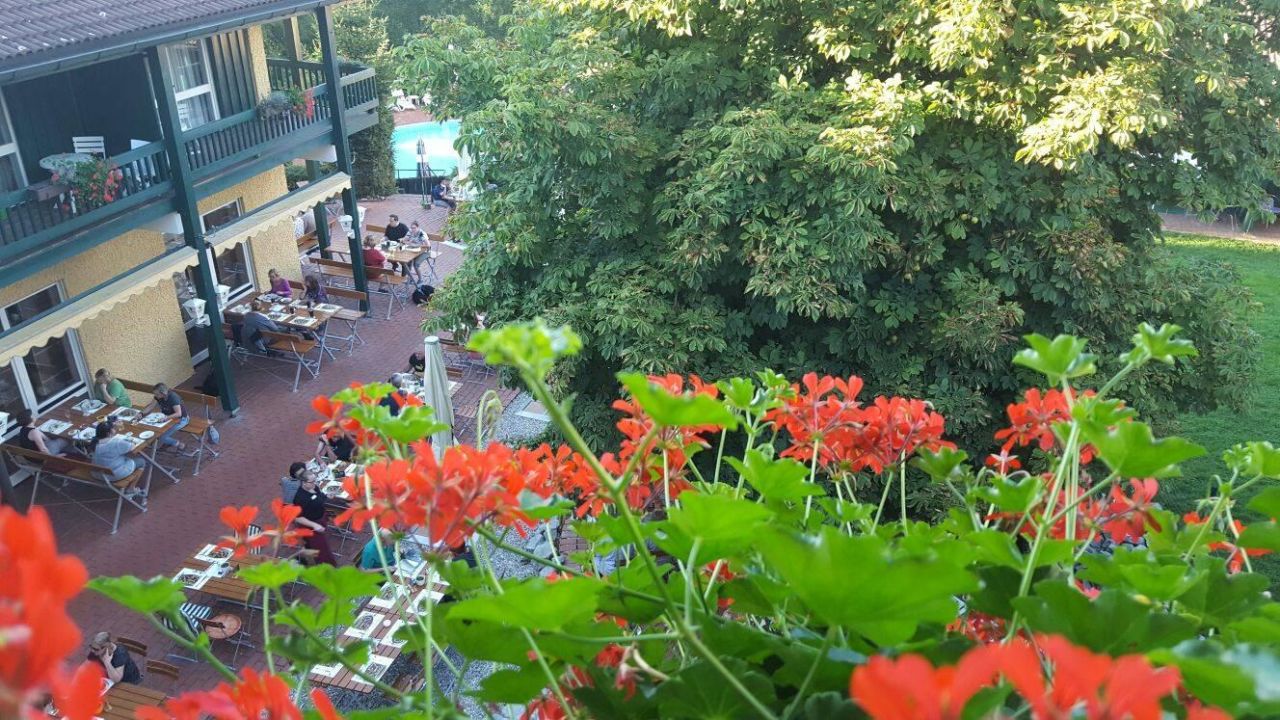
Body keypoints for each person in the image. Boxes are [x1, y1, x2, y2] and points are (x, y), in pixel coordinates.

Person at [290, 471, 338, 565]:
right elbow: (298, 518)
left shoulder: (314, 487)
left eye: (315, 481)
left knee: (322, 546)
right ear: (304, 483)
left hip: (320, 519)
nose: (314, 484)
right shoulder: (300, 498)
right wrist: (314, 525)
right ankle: (326, 569)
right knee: (321, 550)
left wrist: (327, 496)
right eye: (311, 482)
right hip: (311, 526)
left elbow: (320, 497)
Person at [90, 422, 142, 497]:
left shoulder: (94, 442)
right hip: (113, 474)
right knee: (141, 461)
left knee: (125, 457)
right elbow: (132, 446)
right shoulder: (115, 442)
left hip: (97, 473)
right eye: (113, 429)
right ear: (108, 433)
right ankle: (131, 489)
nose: (115, 430)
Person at [150, 383, 188, 451]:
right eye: (155, 394)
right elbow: (151, 406)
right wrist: (141, 413)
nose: (155, 396)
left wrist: (166, 418)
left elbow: (179, 414)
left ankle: (179, 444)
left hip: (181, 420)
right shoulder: (158, 397)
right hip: (168, 418)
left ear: (163, 393)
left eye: (157, 394)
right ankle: (166, 442)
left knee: (161, 437)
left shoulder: (173, 397)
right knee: (153, 430)